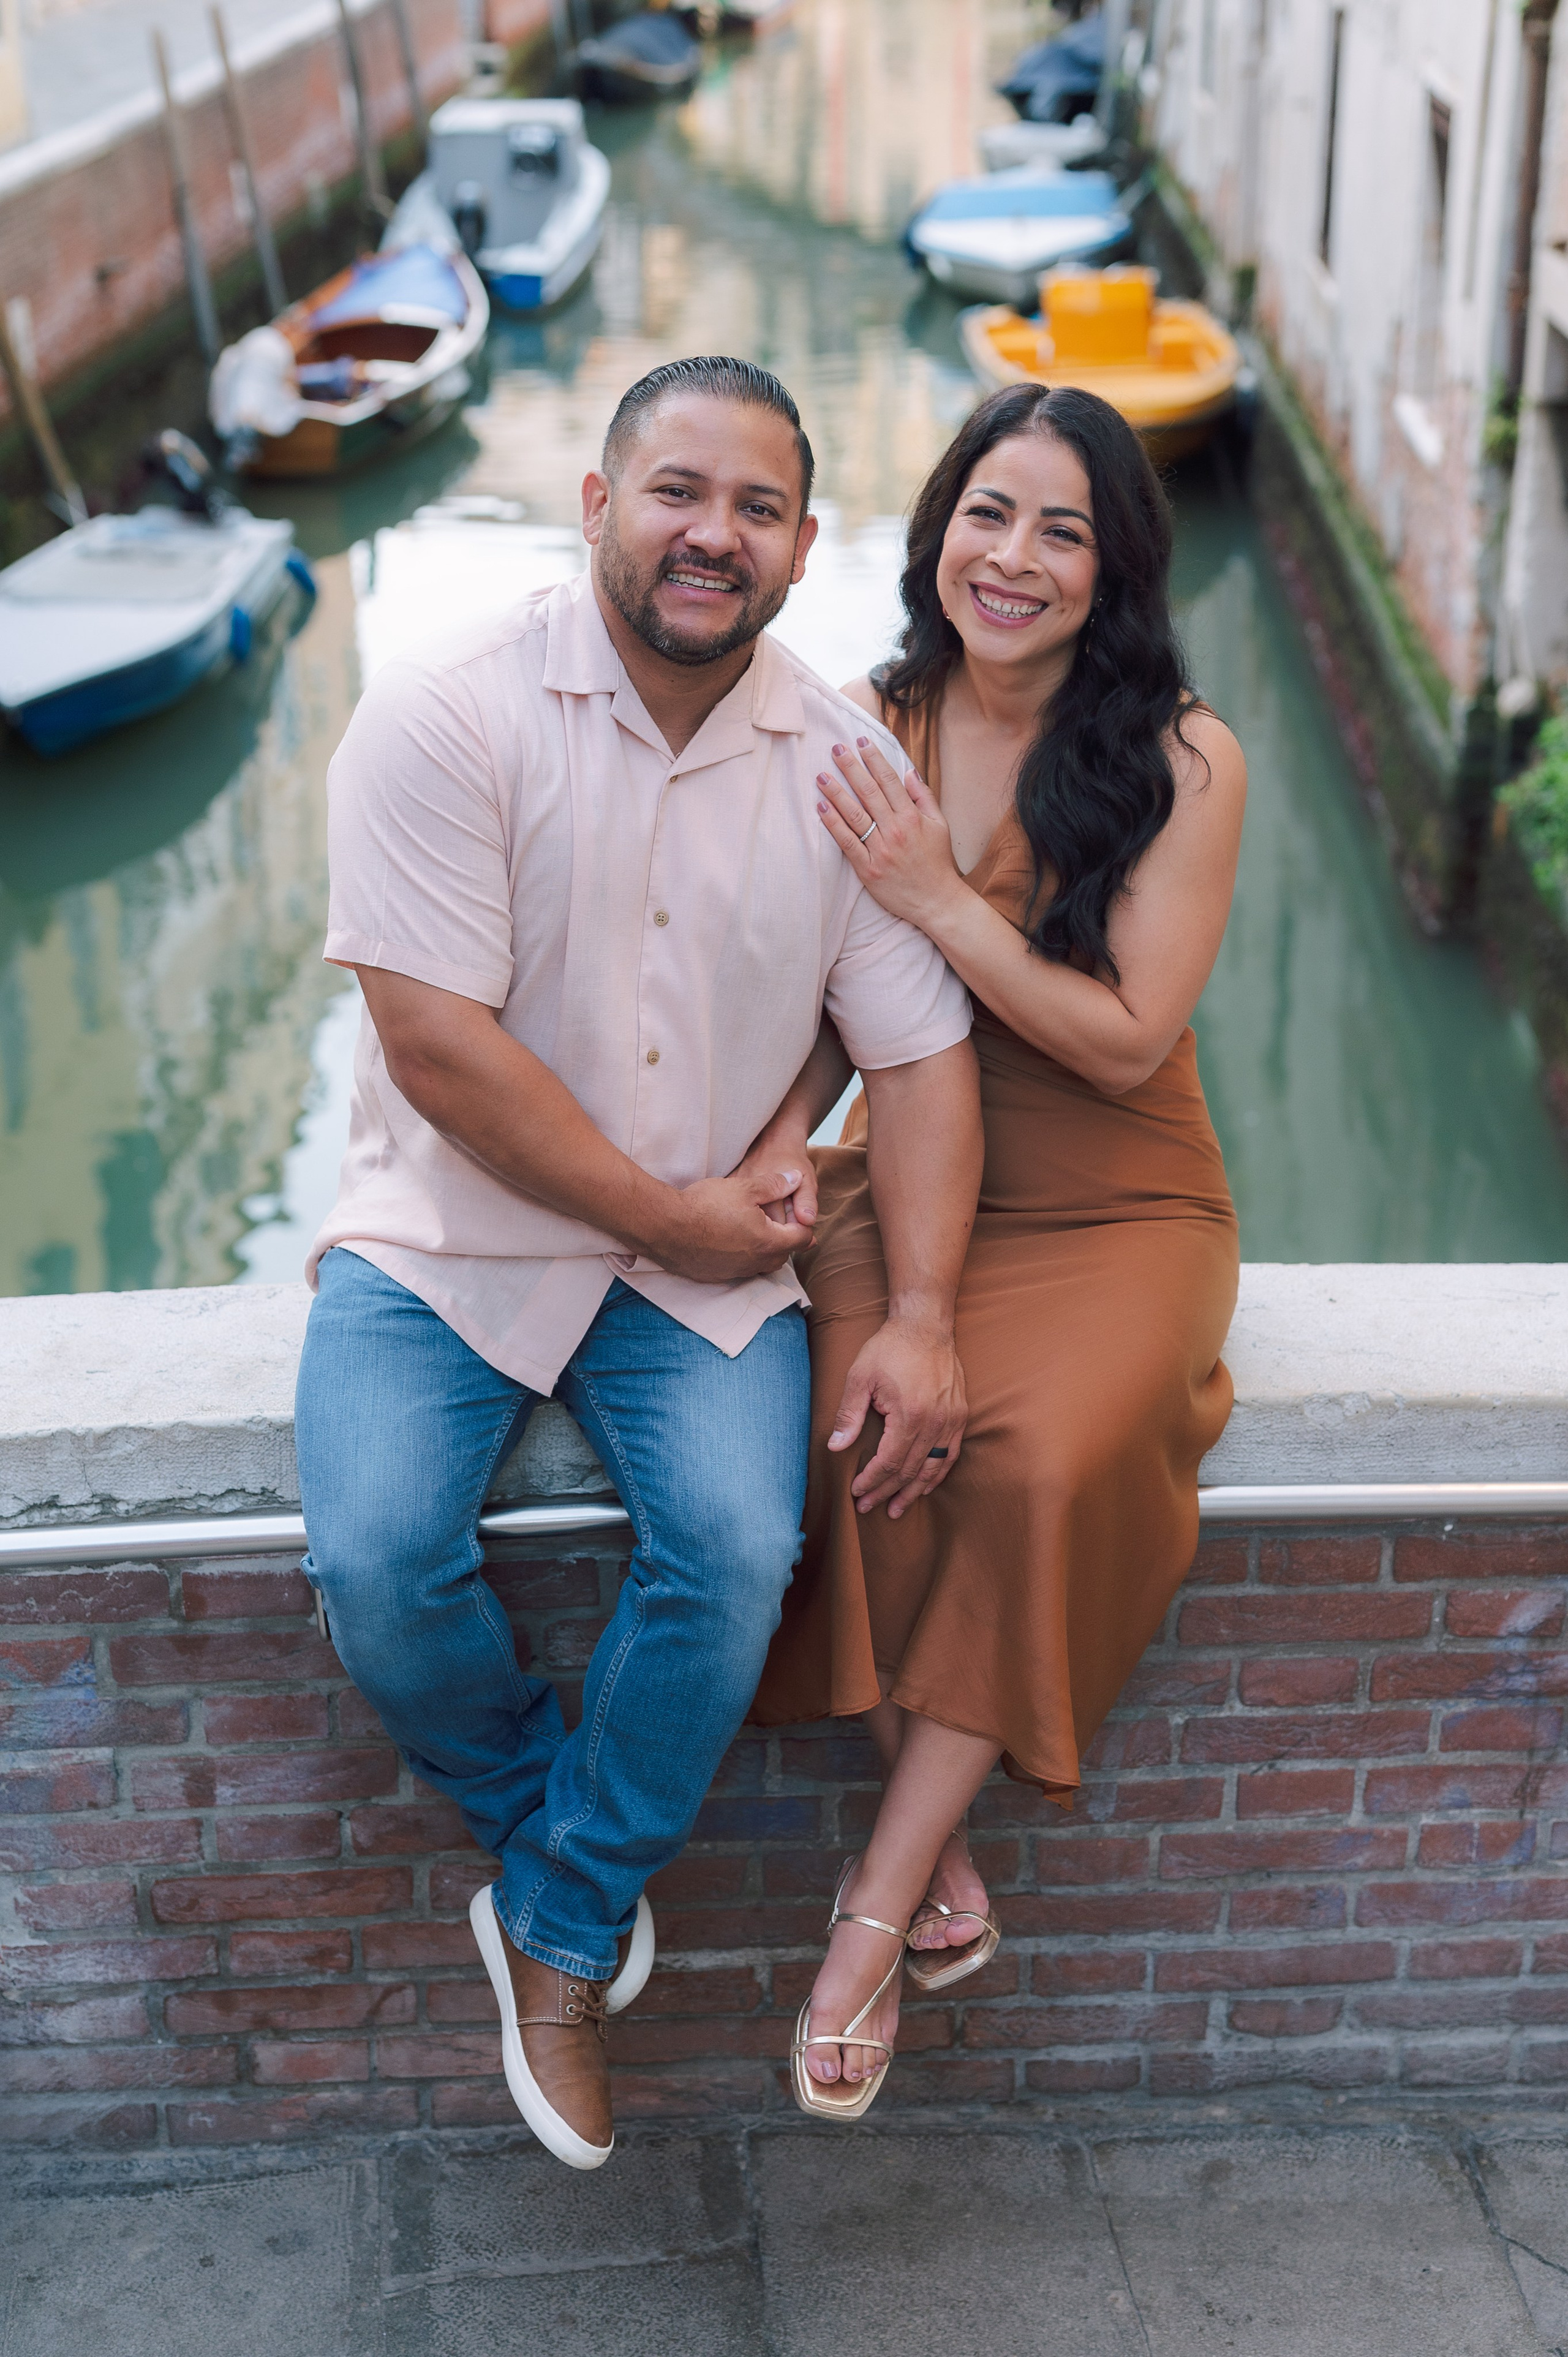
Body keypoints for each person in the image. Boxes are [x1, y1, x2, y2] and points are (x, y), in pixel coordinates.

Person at [293, 356, 983, 2171]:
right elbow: (439, 1051)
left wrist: (916, 1312)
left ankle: (562, 1923)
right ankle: (558, 1844)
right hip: (449, 1228)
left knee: (742, 1548)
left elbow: (916, 1058)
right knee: (375, 1557)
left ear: (806, 548)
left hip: (701, 1268)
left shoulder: (844, 760)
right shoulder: (446, 713)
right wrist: (669, 1211)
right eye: (679, 492)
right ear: (594, 504)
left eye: (757, 509)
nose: (715, 535)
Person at [751, 382, 1245, 2117]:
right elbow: (832, 995)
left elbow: (1122, 1040)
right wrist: (768, 1145)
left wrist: (945, 898)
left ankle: (869, 1921)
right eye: (988, 513)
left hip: (1125, 1201)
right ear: (936, 529)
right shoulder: (867, 716)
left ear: (1115, 571)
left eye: (1062, 530)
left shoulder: (1184, 757)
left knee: (1033, 1467)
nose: (1014, 558)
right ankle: (937, 1847)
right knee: (828, 1431)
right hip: (922, 1172)